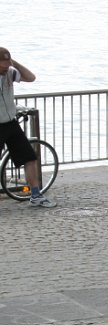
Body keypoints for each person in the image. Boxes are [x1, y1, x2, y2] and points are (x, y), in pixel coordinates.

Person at [0, 47, 56, 207]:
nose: (5, 68)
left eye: (6, 64)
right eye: (2, 65)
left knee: (29, 158)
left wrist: (13, 63)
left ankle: (36, 195)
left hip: (10, 123)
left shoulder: (10, 73)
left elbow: (31, 77)